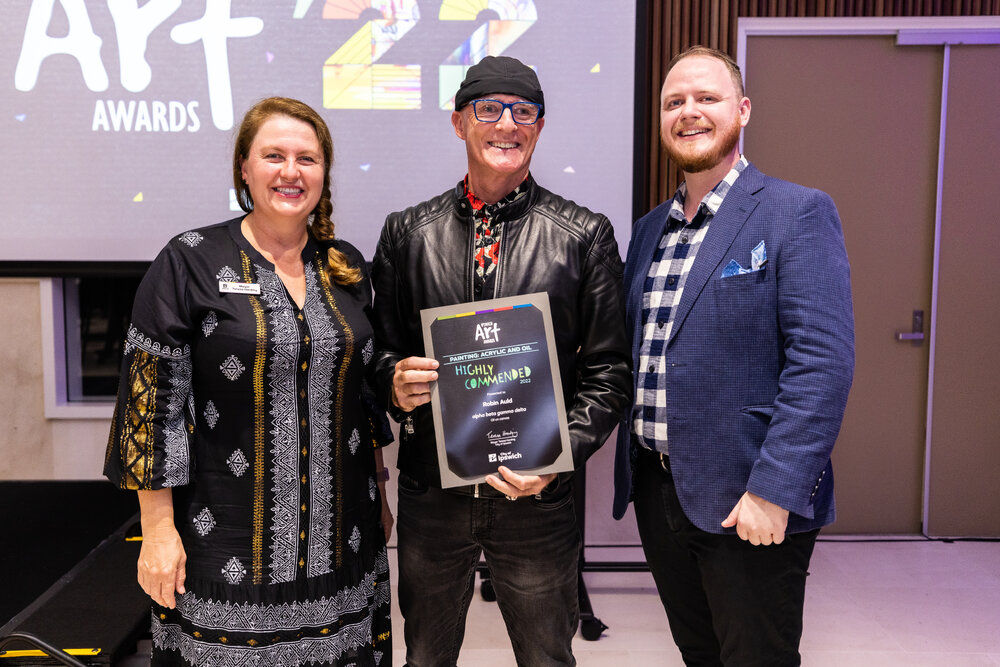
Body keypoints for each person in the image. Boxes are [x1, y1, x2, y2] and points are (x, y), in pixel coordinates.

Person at [104, 97, 394, 666]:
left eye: (307, 159)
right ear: (244, 167)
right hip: (225, 548)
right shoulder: (190, 260)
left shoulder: (345, 265)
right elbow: (149, 404)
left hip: (343, 546)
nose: (291, 172)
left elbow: (360, 399)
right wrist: (157, 531)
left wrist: (381, 496)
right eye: (274, 156)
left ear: (324, 173)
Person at [371, 55, 631, 666]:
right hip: (432, 492)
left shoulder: (583, 235)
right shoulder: (408, 234)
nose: (507, 124)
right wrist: (392, 381)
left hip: (537, 496)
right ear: (459, 122)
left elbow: (610, 372)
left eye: (523, 112)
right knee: (426, 657)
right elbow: (378, 353)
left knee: (546, 658)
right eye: (489, 109)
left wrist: (556, 456)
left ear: (539, 127)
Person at [612, 46, 855, 666]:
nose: (688, 111)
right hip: (660, 493)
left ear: (742, 110)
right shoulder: (648, 230)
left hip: (748, 498)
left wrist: (776, 489)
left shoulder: (796, 211)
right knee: (699, 654)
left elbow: (822, 363)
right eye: (674, 102)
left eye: (707, 98)